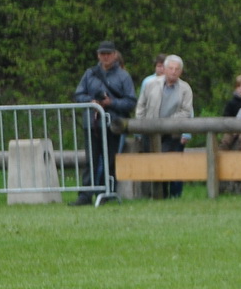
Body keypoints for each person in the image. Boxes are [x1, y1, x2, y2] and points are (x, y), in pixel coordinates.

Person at [73, 41, 136, 204]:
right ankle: (85, 195)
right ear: (98, 55)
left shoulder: (123, 76)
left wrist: (111, 103)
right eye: (102, 54)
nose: (105, 57)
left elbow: (130, 101)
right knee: (91, 160)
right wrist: (91, 101)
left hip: (112, 125)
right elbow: (78, 95)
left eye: (108, 54)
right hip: (91, 125)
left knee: (110, 161)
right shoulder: (90, 74)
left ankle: (108, 192)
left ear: (115, 55)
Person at [135, 54, 194, 198]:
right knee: (152, 163)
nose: (173, 71)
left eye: (177, 69)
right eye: (171, 68)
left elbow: (187, 112)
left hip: (173, 132)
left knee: (170, 164)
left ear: (181, 71)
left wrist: (167, 123)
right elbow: (141, 106)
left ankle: (170, 195)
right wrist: (141, 125)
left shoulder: (185, 89)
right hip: (150, 131)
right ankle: (154, 195)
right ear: (165, 69)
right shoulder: (150, 84)